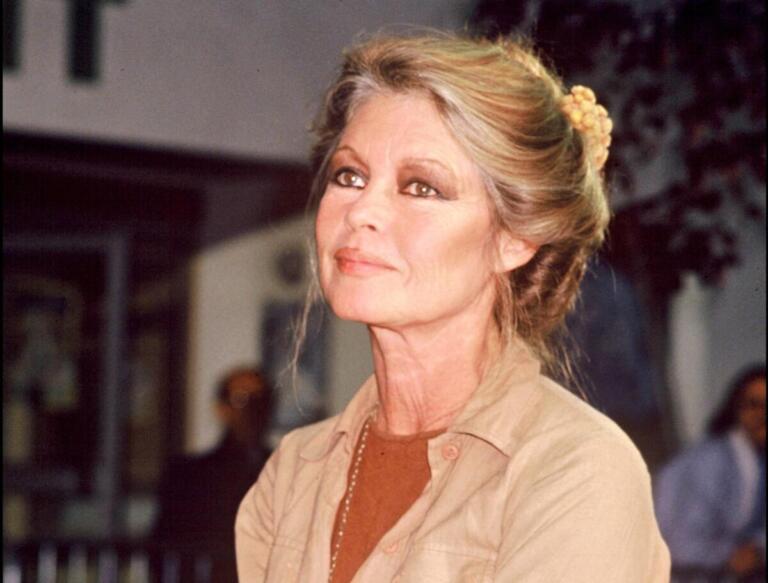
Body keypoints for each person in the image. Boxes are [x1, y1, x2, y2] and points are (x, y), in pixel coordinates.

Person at [236, 32, 670, 582]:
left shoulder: (574, 468)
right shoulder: (293, 472)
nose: (361, 211)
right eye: (350, 175)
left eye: (421, 187)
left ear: (515, 238)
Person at [154, 366, 273, 582]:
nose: (251, 409)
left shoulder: (282, 468)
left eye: (259, 399)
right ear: (221, 409)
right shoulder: (189, 475)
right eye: (241, 399)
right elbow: (166, 547)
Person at [655, 365, 766, 582]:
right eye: (754, 404)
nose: (763, 415)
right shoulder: (709, 462)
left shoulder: (757, 462)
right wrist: (730, 556)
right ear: (736, 408)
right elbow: (678, 545)